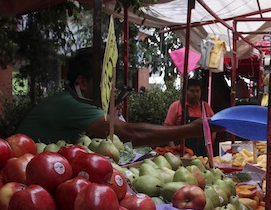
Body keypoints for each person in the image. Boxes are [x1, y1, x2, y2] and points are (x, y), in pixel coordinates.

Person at [17, 47, 209, 146]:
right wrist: (190, 129)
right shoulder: (70, 106)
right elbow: (129, 133)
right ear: (83, 82)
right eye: (105, 81)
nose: (111, 89)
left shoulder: (70, 101)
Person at [164, 77, 215, 156]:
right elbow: (167, 131)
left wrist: (209, 147)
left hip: (202, 154)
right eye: (192, 91)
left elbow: (214, 127)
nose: (195, 94)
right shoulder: (176, 106)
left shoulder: (205, 107)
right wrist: (173, 150)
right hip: (182, 154)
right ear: (185, 91)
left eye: (198, 91)